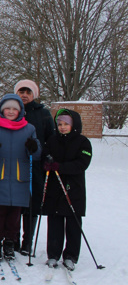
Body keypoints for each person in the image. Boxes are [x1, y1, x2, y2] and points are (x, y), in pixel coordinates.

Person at [0, 94, 42, 261]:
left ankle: (9, 244)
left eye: (15, 108)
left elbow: (36, 154)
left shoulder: (29, 128)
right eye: (8, 108)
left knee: (14, 217)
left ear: (20, 110)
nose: (11, 111)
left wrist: (33, 148)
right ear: (1, 109)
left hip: (19, 179)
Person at [40, 109, 91, 271]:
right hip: (55, 188)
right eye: (60, 124)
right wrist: (47, 162)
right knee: (54, 222)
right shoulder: (52, 140)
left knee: (73, 223)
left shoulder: (83, 142)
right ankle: (53, 254)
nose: (62, 127)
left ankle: (70, 255)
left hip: (73, 188)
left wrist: (60, 167)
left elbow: (82, 163)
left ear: (73, 125)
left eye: (66, 124)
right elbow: (45, 155)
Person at [14, 79, 55, 255]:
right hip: (15, 163)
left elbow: (50, 138)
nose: (24, 95)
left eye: (28, 92)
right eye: (21, 92)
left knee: (33, 202)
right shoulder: (12, 111)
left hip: (36, 164)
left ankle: (27, 241)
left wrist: (47, 155)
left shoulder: (43, 113)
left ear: (34, 94)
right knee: (15, 202)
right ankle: (12, 239)